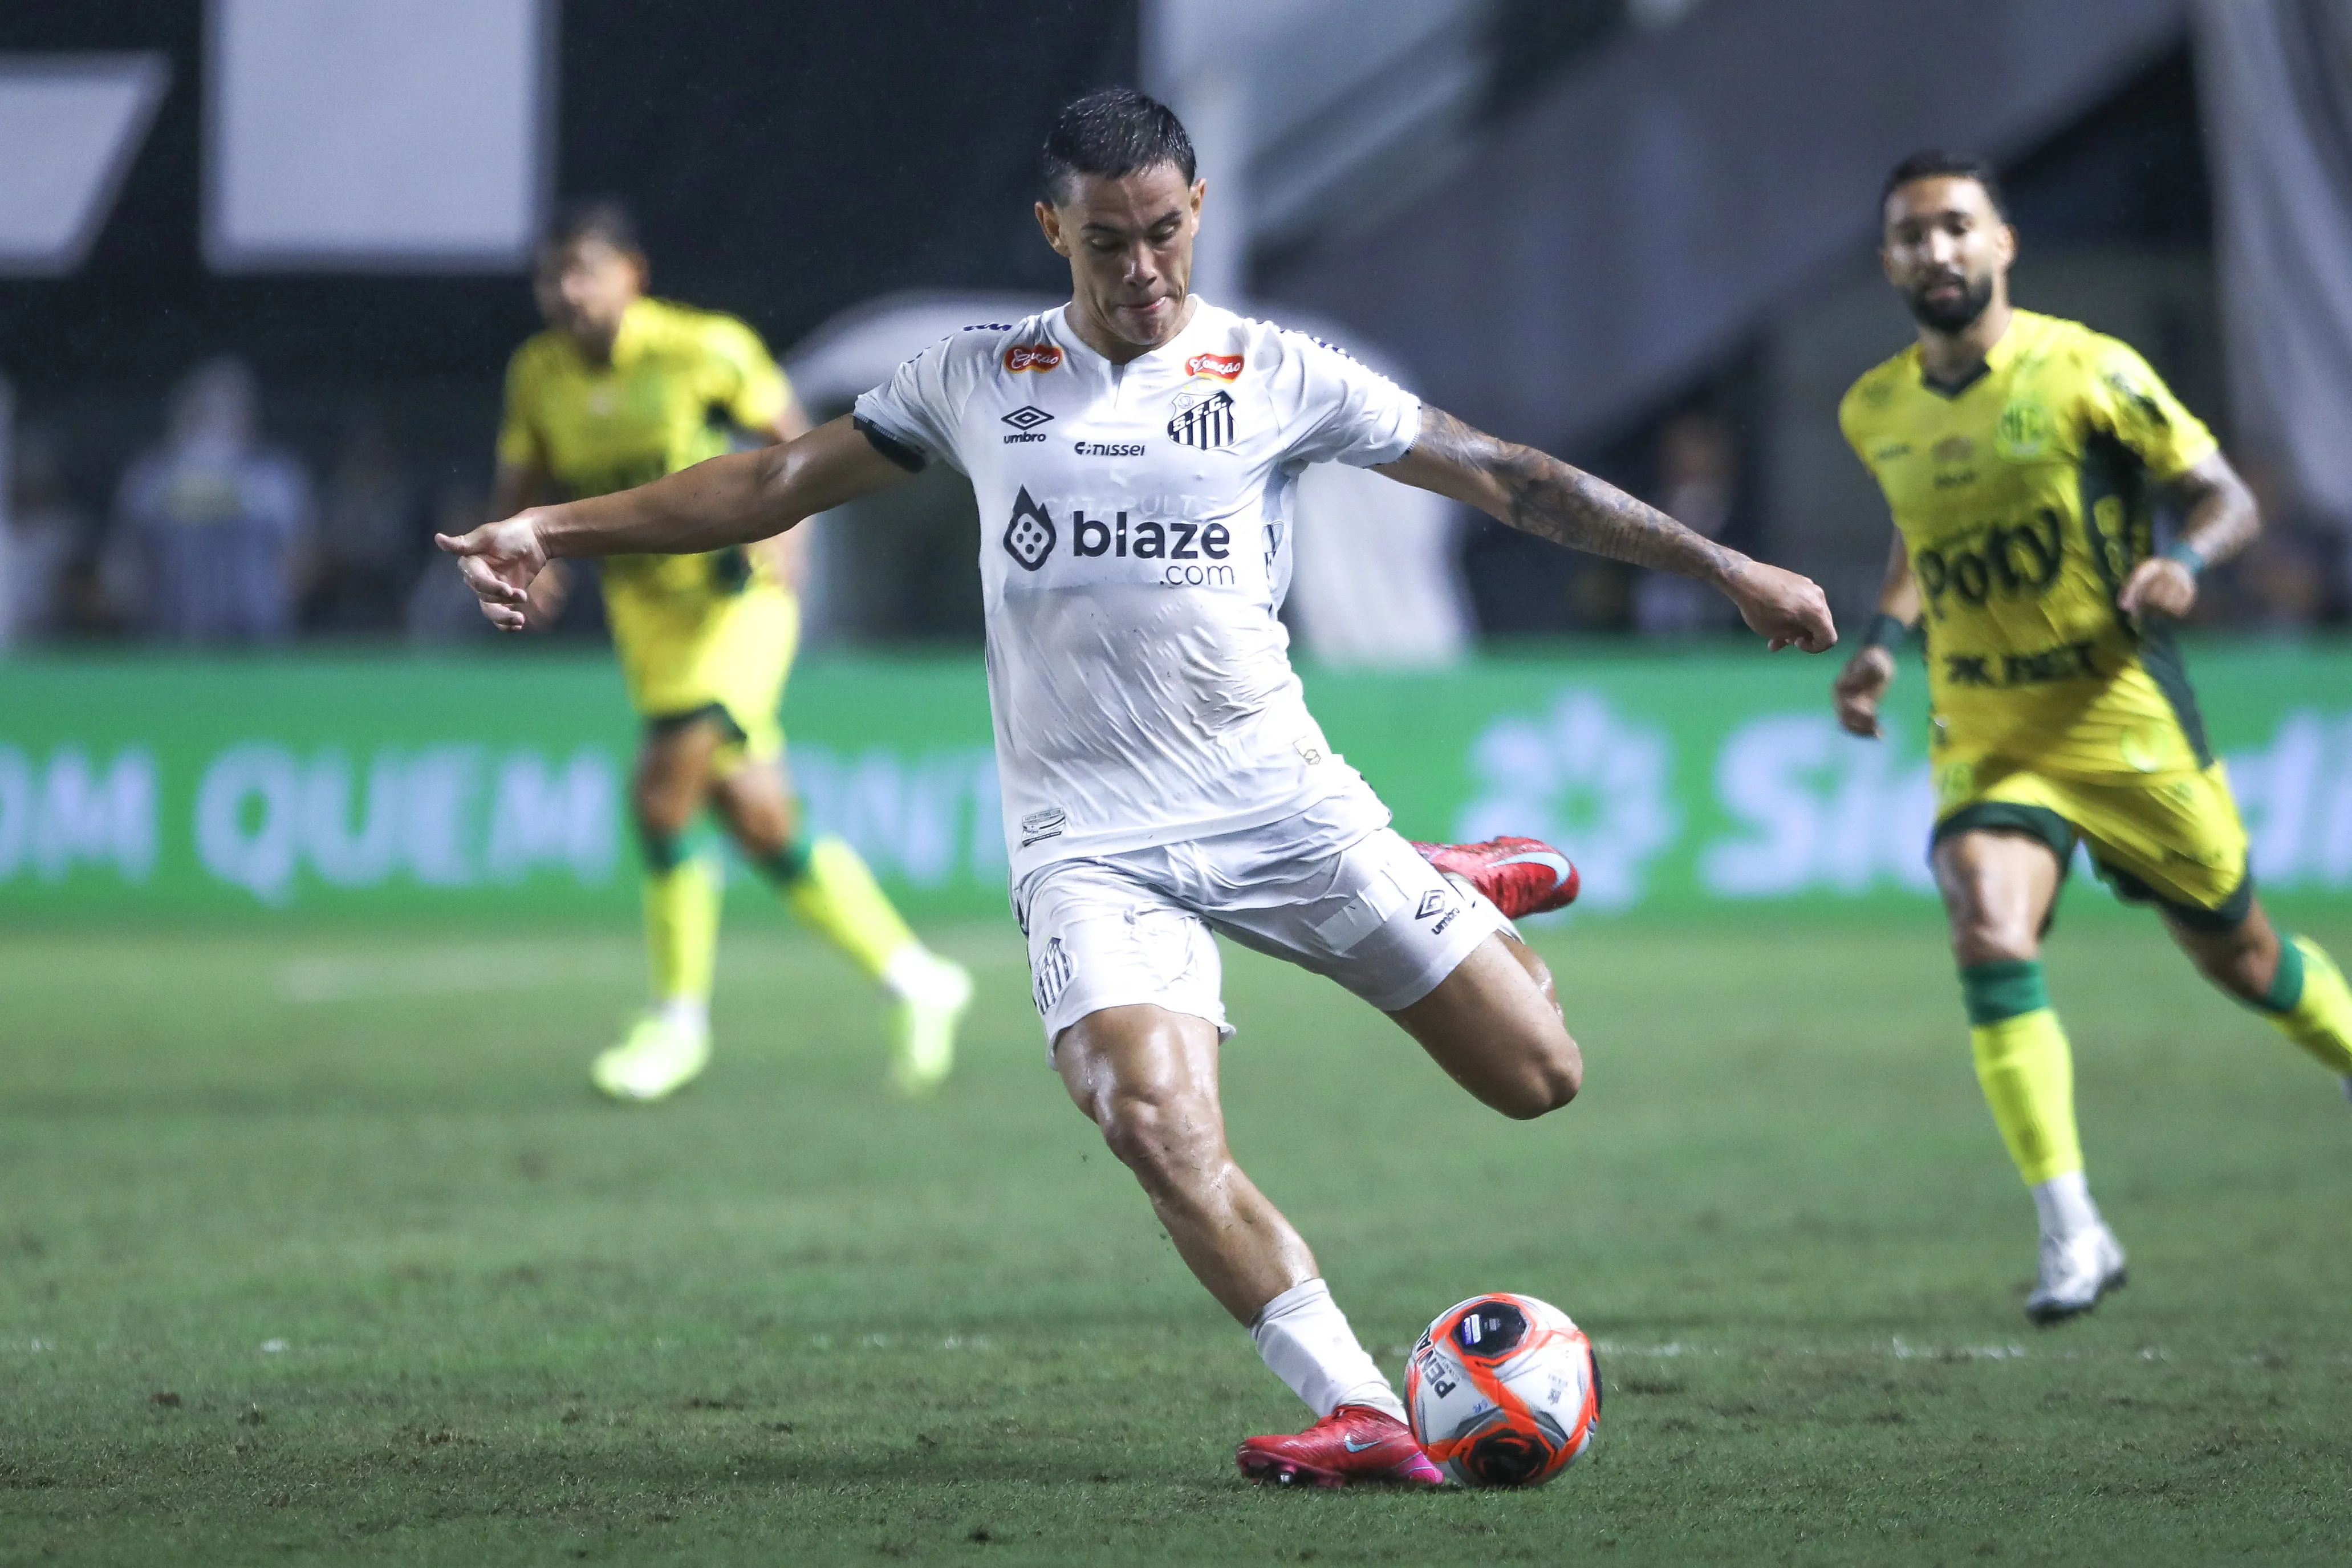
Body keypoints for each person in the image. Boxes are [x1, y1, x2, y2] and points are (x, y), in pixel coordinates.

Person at [442, 92, 1834, 1484]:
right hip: (1090, 839)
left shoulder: (1278, 373)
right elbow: (768, 482)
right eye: (1107, 241)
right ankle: (1356, 1402)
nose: (1143, 269)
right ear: (1054, 228)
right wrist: (548, 523)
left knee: (1540, 1074)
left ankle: (1438, 876)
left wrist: (1727, 570)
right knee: (1151, 1121)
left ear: (1199, 210)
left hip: (1280, 803)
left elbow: (1508, 478)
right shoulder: (974, 377)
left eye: (1165, 232)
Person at [1830, 152, 2352, 1325]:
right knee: (1983, 922)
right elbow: (1920, 531)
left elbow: (2226, 496)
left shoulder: (2087, 370)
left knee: (2245, 960)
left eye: (1957, 226)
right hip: (1983, 720)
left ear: (2001, 242)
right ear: (1889, 262)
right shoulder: (1874, 407)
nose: (1937, 251)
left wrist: (2188, 560)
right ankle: (2073, 1228)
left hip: (2117, 715)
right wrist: (1878, 639)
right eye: (1912, 235)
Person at [491, 200, 971, 1103]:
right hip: (648, 620)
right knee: (756, 817)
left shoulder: (700, 348)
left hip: (737, 603)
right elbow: (526, 477)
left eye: (581, 273)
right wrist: (524, 547)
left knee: (662, 792)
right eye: (550, 278)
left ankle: (677, 1020)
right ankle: (918, 976)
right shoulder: (538, 373)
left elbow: (794, 440)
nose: (565, 294)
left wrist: (784, 534)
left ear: (630, 272)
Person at [112, 358, 312, 643]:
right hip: (170, 628)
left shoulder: (275, 479)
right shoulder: (152, 477)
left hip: (256, 630)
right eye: (207, 410)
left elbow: (299, 559)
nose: (217, 421)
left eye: (229, 411)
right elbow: (127, 559)